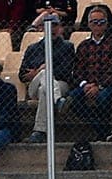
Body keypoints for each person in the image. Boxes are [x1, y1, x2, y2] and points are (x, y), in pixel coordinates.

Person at [65, 5, 112, 141]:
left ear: (106, 24)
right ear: (89, 24)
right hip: (87, 85)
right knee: (72, 100)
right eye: (94, 22)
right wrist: (85, 84)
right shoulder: (83, 46)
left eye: (101, 22)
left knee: (103, 98)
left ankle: (103, 133)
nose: (98, 25)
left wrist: (98, 85)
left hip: (108, 85)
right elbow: (78, 71)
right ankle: (102, 129)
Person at [20, 12, 76, 144]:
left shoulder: (67, 47)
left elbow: (66, 72)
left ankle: (39, 131)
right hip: (34, 86)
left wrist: (43, 70)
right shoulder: (33, 48)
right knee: (44, 74)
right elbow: (22, 74)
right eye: (49, 25)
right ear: (42, 28)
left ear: (60, 28)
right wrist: (39, 72)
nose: (52, 29)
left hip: (59, 83)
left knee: (45, 89)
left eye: (55, 25)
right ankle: (58, 101)